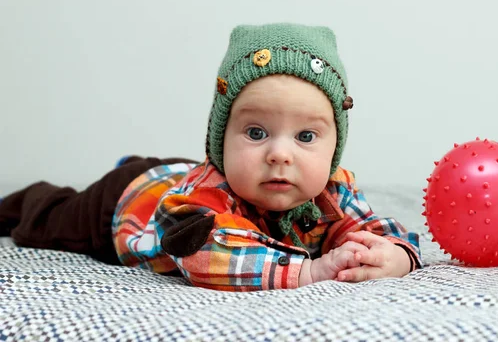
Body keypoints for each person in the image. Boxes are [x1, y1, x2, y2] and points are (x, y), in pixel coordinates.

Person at [0, 23, 422, 291]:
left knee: (174, 175)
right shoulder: (206, 199)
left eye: (306, 135)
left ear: (334, 148)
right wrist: (308, 272)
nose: (279, 154)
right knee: (45, 219)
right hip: (123, 200)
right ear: (221, 142)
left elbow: (372, 227)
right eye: (256, 133)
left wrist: (395, 255)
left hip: (173, 173)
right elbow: (208, 256)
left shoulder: (332, 190)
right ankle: (23, 199)